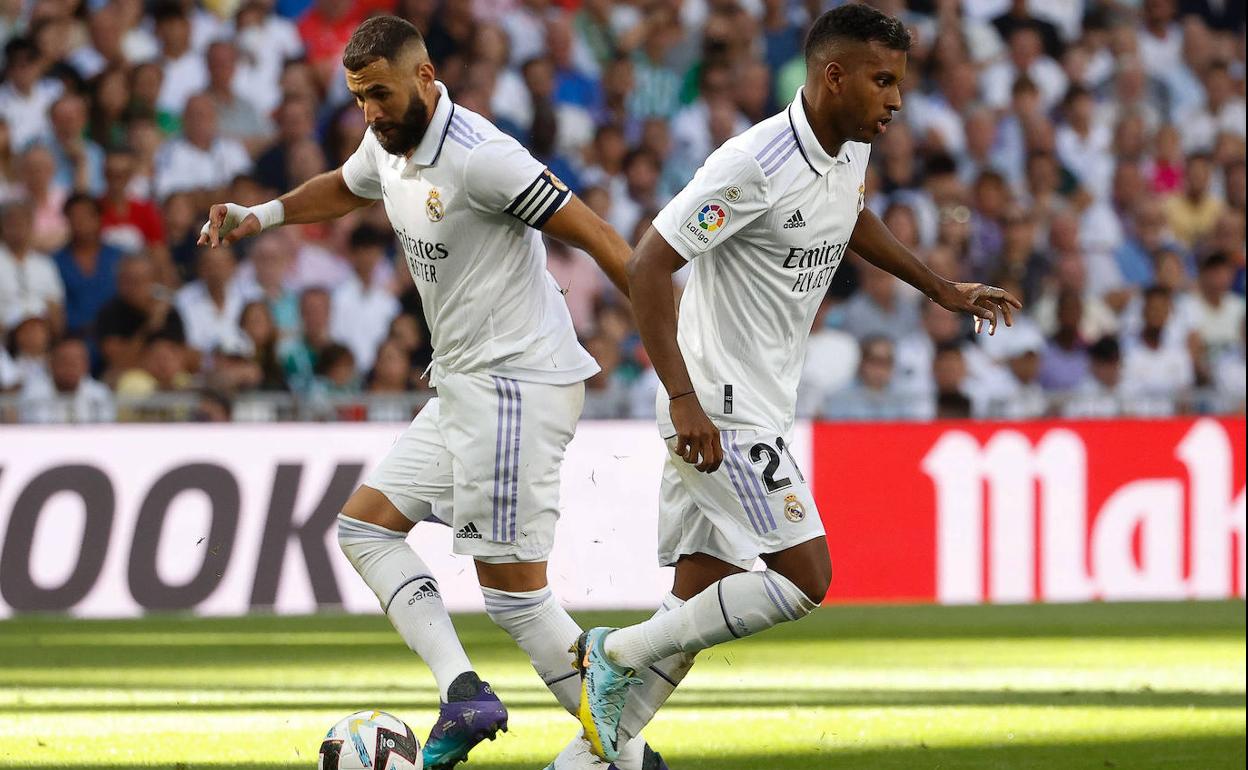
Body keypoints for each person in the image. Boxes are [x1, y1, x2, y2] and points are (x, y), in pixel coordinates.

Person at [195, 16, 660, 770]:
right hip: (463, 387)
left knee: (516, 600)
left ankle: (630, 757)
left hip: (517, 384)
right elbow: (345, 188)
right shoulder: (388, 144)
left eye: (379, 94)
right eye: (358, 99)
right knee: (364, 529)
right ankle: (465, 692)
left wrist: (671, 371)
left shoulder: (484, 159)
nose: (370, 113)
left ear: (426, 76)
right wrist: (263, 215)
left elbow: (603, 240)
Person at [571, 6, 1020, 764]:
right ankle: (611, 652)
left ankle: (587, 756)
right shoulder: (752, 165)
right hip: (718, 406)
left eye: (900, 83)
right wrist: (684, 399)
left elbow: (849, 216)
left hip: (757, 405)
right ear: (832, 76)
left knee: (695, 607)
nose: (896, 101)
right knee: (806, 578)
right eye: (882, 82)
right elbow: (650, 262)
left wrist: (940, 287)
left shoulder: (847, 147)